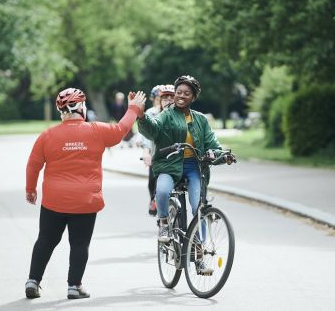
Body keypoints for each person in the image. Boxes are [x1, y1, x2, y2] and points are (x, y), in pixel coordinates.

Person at [25, 88, 145, 299]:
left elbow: (33, 165)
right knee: (79, 244)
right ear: (81, 107)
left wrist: (31, 189)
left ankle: (33, 281)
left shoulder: (47, 135)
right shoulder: (96, 130)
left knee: (45, 239)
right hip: (85, 200)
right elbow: (121, 130)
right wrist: (133, 108)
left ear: (60, 110)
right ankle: (74, 286)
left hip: (54, 201)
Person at [137, 75, 233, 275]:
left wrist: (222, 156)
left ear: (193, 97)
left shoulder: (200, 119)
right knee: (162, 192)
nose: (180, 96)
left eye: (186, 93)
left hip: (193, 167)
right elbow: (152, 130)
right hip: (169, 164)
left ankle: (199, 256)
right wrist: (141, 116)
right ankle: (164, 223)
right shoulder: (167, 114)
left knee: (199, 208)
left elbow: (212, 145)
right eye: (178, 92)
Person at [138, 84, 175, 216]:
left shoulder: (179, 113)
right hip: (156, 154)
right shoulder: (151, 113)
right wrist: (146, 152)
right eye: (161, 98)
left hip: (174, 156)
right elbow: (146, 136)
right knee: (152, 181)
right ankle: (155, 200)